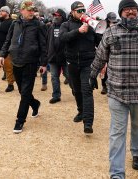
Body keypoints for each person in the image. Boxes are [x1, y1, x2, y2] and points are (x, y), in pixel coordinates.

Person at [90, 0, 138, 179]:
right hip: (116, 91)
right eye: (126, 9)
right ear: (120, 12)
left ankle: (137, 152)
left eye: (134, 9)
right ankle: (116, 173)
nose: (131, 12)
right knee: (117, 132)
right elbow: (100, 56)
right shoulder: (110, 31)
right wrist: (92, 74)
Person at [0, 0, 47, 133]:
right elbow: (8, 40)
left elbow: (43, 45)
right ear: (22, 11)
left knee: (25, 93)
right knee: (22, 91)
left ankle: (20, 121)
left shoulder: (39, 25)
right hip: (15, 61)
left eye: (32, 10)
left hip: (30, 62)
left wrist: (43, 63)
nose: (31, 12)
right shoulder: (15, 23)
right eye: (28, 10)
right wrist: (2, 55)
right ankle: (35, 104)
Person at [60, 1, 101, 134]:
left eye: (83, 10)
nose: (82, 13)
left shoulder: (91, 24)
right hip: (72, 63)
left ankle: (88, 123)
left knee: (87, 91)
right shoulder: (66, 25)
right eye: (79, 11)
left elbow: (100, 42)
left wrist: (99, 29)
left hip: (88, 63)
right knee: (76, 90)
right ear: (72, 12)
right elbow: (62, 38)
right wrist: (78, 31)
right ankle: (81, 111)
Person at [46, 9, 68, 104]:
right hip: (53, 57)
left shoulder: (67, 27)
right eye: (54, 15)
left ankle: (77, 92)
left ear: (62, 16)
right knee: (54, 77)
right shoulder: (51, 27)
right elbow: (47, 41)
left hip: (65, 57)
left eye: (58, 15)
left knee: (69, 76)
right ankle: (56, 96)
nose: (55, 16)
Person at [0, 6, 15, 92]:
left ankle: (10, 84)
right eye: (0, 11)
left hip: (6, 50)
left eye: (3, 11)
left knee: (8, 68)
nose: (0, 12)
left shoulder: (12, 22)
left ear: (7, 13)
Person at [100, 12, 118, 95]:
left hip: (113, 51)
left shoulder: (117, 27)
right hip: (104, 50)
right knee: (104, 70)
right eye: (111, 21)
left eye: (114, 22)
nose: (113, 23)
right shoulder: (102, 27)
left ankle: (112, 86)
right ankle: (104, 86)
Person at [34, 10, 48, 91]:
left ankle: (44, 84)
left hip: (42, 49)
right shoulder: (30, 25)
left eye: (37, 15)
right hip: (33, 49)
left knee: (43, 66)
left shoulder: (42, 25)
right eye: (35, 15)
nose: (36, 16)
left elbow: (46, 37)